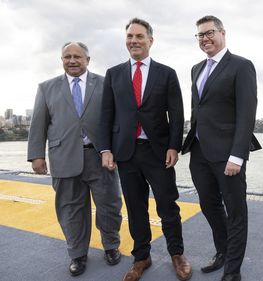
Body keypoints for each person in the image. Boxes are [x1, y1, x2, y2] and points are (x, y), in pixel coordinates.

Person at [98, 18, 192, 281]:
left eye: (139, 36)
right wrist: (105, 148)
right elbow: (106, 114)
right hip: (126, 153)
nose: (134, 41)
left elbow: (177, 114)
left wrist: (174, 145)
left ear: (150, 40)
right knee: (135, 208)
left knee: (167, 206)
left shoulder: (166, 73)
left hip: (158, 151)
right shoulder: (114, 74)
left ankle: (177, 254)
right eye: (129, 36)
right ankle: (141, 257)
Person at [27, 42, 123, 277]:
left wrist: (116, 151)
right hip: (63, 158)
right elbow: (38, 124)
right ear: (61, 60)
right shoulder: (46, 87)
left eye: (77, 57)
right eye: (67, 56)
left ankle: (111, 246)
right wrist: (37, 156)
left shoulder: (105, 84)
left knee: (109, 206)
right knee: (70, 210)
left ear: (88, 60)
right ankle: (77, 254)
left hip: (100, 157)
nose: (72, 60)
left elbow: (117, 121)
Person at [181, 15, 261, 281]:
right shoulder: (196, 69)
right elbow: (198, 110)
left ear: (223, 33)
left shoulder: (241, 66)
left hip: (228, 154)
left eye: (209, 33)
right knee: (209, 205)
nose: (205, 39)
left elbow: (247, 114)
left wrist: (237, 155)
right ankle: (223, 251)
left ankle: (233, 271)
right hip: (200, 151)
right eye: (200, 35)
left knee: (236, 211)